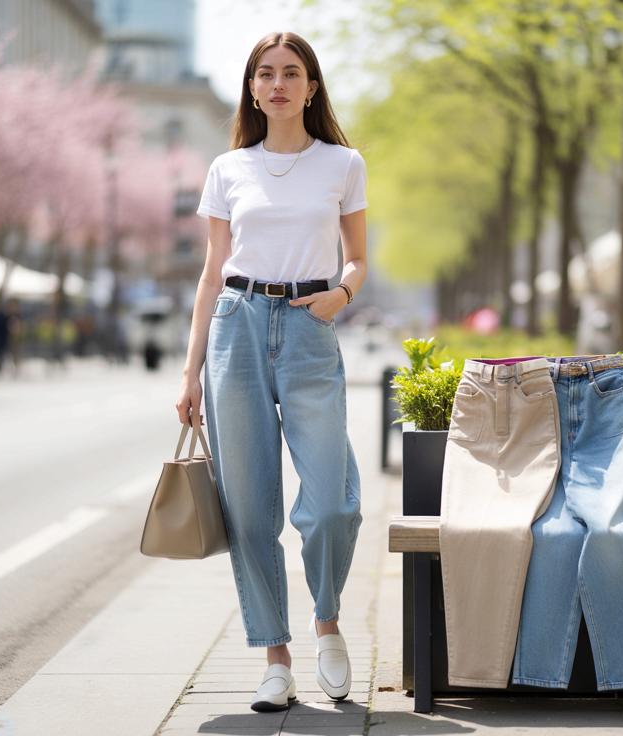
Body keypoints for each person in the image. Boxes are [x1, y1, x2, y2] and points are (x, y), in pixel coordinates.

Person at [174, 31, 368, 713]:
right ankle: (275, 657)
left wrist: (341, 297)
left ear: (312, 87)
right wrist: (191, 371)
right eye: (266, 73)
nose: (279, 83)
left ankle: (328, 620)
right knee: (250, 507)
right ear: (252, 88)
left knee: (335, 503)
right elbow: (209, 273)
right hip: (238, 329)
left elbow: (358, 258)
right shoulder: (229, 168)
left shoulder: (343, 163)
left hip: (310, 328)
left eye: (292, 73)